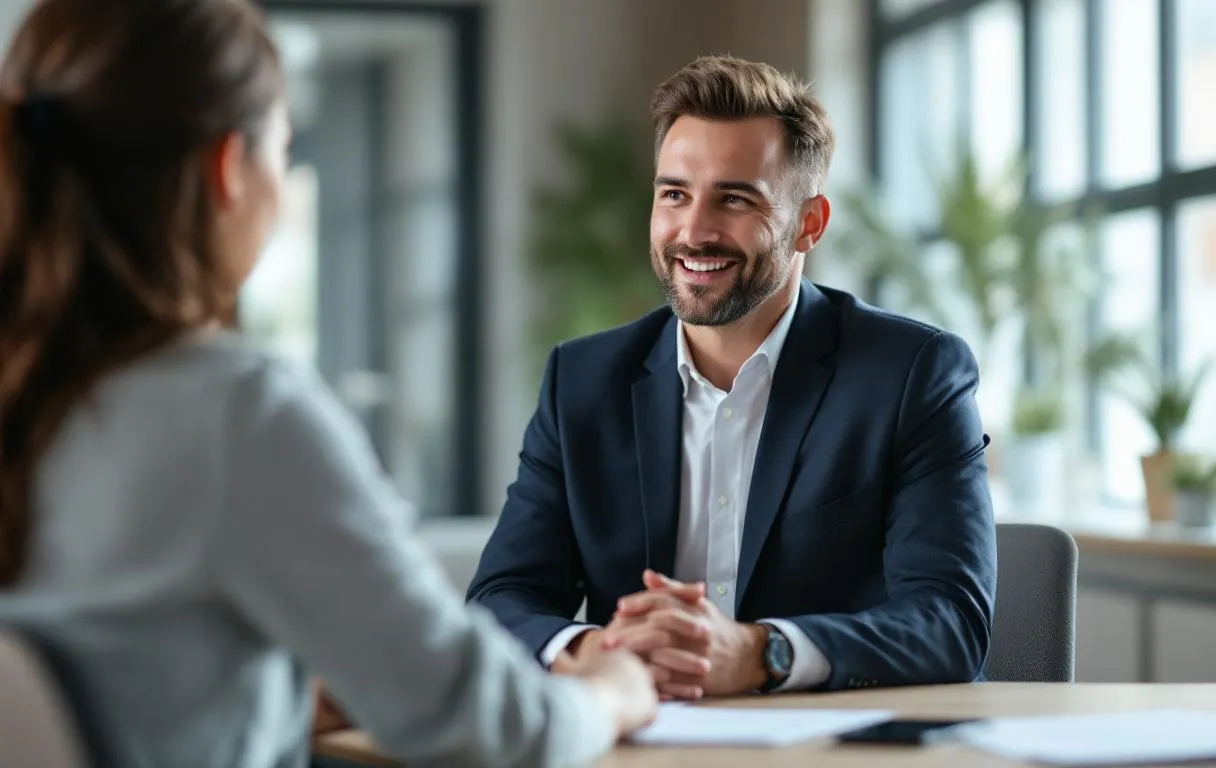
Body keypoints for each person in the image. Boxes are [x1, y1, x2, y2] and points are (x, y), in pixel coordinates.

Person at [0, 1, 656, 766]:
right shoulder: (233, 409)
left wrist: (276, 693)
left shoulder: (35, 397)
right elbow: (491, 729)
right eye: (282, 147)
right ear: (226, 171)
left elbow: (122, 688)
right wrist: (613, 688)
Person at [467, 55, 998, 700]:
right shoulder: (581, 382)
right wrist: (599, 651)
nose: (693, 231)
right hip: (639, 741)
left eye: (735, 198)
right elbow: (500, 598)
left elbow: (950, 622)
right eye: (674, 194)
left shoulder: (912, 375)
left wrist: (760, 652)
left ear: (810, 223)